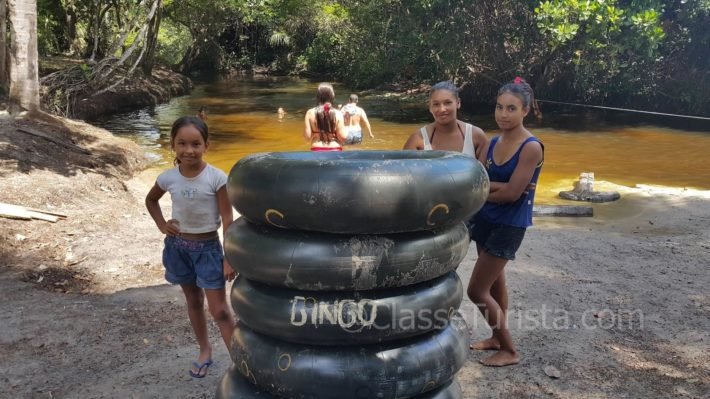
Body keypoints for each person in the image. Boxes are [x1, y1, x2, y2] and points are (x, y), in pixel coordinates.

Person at [145, 116, 236, 378]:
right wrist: (163, 225)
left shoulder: (217, 178)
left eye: (196, 144)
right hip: (178, 248)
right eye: (182, 144)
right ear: (173, 145)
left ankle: (239, 362)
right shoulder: (168, 178)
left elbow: (228, 219)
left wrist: (228, 257)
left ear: (207, 145)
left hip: (208, 250)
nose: (189, 150)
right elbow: (151, 200)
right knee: (193, 301)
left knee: (220, 310)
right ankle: (204, 350)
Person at [467, 77, 544, 367]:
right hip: (485, 219)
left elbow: (512, 195)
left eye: (511, 108)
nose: (503, 114)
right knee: (495, 283)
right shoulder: (493, 142)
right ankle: (497, 337)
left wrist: (492, 190)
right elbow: (478, 182)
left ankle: (510, 350)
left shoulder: (531, 148)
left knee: (476, 290)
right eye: (499, 107)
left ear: (526, 110)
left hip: (510, 225)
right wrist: (496, 189)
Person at [403, 81, 487, 157]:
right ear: (430, 107)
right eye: (436, 104)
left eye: (448, 103)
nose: (442, 109)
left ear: (458, 103)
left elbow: (485, 172)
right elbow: (404, 171)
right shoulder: (418, 139)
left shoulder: (475, 136)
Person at [304, 83, 348, 151]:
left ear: (318, 96)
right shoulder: (338, 113)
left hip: (317, 148)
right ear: (332, 96)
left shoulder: (309, 113)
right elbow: (342, 137)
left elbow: (307, 137)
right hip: (335, 148)